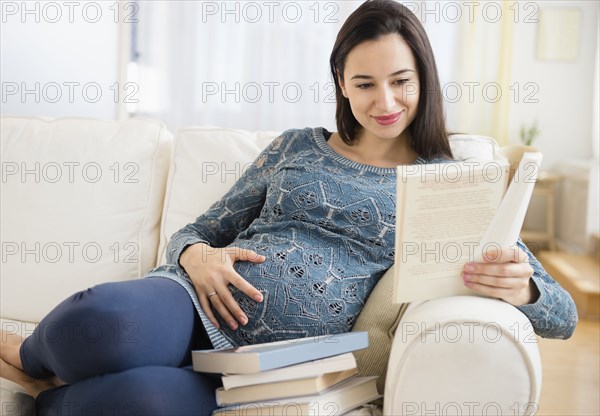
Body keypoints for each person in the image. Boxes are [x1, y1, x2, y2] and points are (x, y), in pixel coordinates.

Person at [0, 1, 577, 415]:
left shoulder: (450, 183)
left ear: (424, 79)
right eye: (365, 82)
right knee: (99, 321)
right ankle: (27, 351)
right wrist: (197, 257)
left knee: (138, 401)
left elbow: (563, 315)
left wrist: (521, 287)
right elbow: (199, 230)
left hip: (273, 369)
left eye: (401, 81)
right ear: (341, 84)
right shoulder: (298, 146)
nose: (385, 101)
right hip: (189, 303)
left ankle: (43, 391)